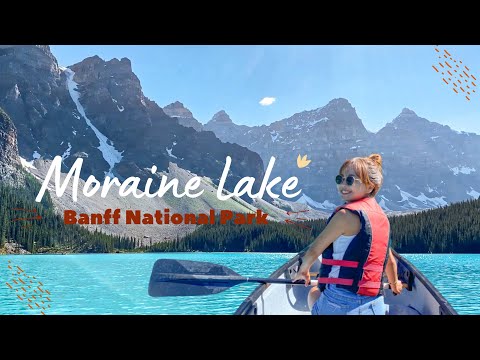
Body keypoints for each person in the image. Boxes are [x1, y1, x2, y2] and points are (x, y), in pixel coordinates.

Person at [293, 153, 403, 315]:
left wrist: (303, 270)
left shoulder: (345, 216)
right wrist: (394, 283)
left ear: (370, 186)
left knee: (314, 292)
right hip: (375, 304)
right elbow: (390, 261)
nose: (343, 185)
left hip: (341, 302)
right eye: (340, 179)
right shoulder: (382, 218)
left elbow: (315, 250)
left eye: (350, 180)